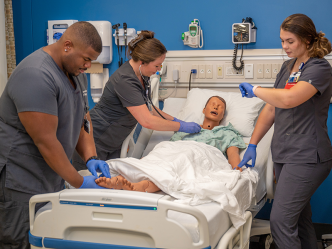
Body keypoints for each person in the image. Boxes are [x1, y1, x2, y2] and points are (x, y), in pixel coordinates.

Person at [0, 21, 112, 249]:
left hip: (51, 174)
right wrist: (80, 182)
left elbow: (83, 117)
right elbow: (46, 141)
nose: (89, 66)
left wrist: (91, 157)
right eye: (86, 59)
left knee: (47, 238)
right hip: (21, 178)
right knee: (21, 241)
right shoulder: (36, 75)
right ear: (67, 45)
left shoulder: (75, 70)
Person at [238, 14, 332, 249]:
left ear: (307, 39)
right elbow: (272, 108)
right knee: (299, 219)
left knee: (280, 221)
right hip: (284, 153)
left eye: (290, 41)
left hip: (308, 155)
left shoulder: (319, 68)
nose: (284, 46)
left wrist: (256, 89)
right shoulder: (287, 66)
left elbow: (289, 99)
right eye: (282, 41)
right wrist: (253, 144)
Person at [72, 30, 201, 171]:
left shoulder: (142, 75)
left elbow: (149, 108)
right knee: (86, 186)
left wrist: (176, 120)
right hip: (96, 139)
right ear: (142, 62)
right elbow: (147, 121)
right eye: (157, 65)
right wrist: (180, 127)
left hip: (113, 141)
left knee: (108, 185)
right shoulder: (125, 80)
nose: (158, 70)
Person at [95, 96, 246, 191]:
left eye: (220, 107)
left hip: (199, 154)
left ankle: (137, 185)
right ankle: (121, 178)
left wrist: (236, 169)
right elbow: (168, 150)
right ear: (203, 109)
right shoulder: (185, 129)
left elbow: (233, 154)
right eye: (212, 104)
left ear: (223, 114)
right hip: (174, 150)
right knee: (158, 159)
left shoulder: (227, 133)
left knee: (179, 163)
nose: (215, 107)